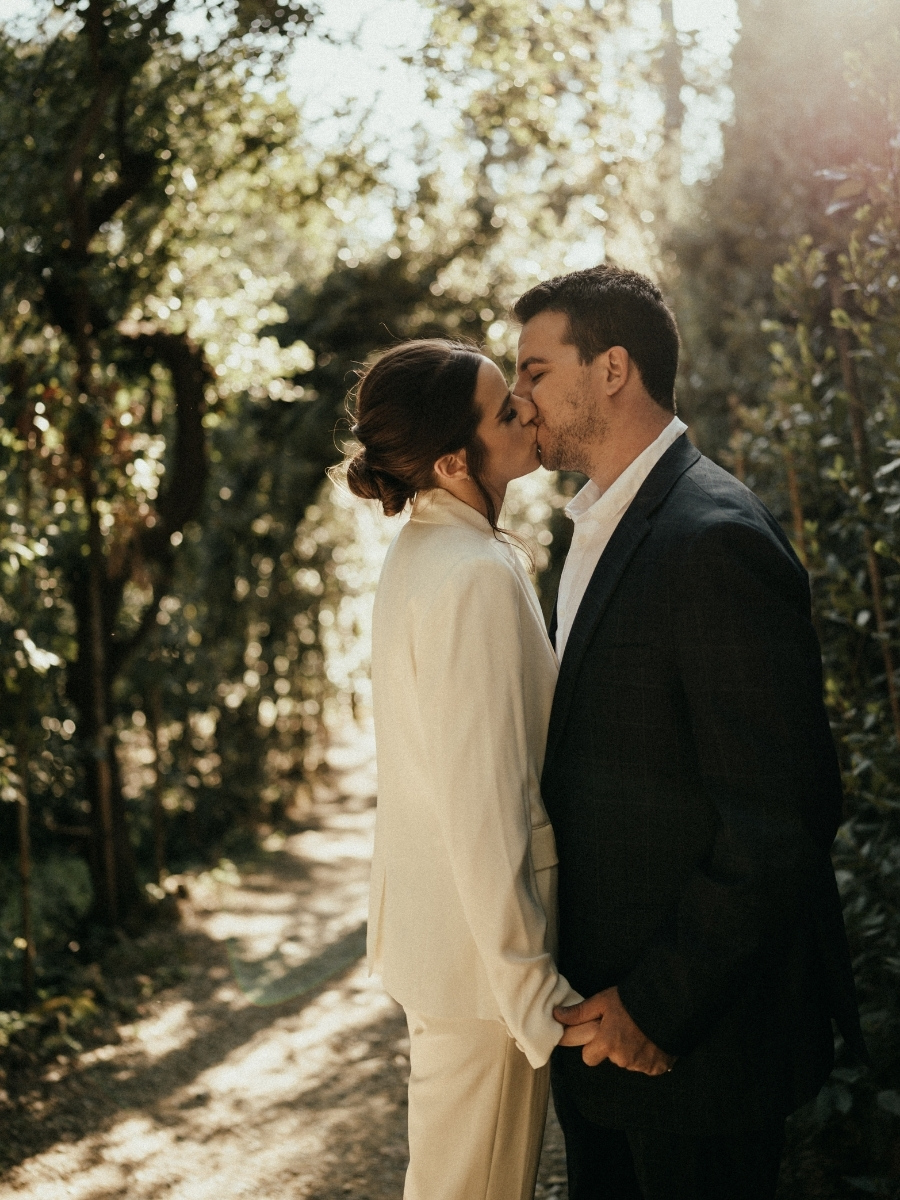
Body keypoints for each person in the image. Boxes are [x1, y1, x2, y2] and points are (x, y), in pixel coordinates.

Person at [511, 265, 865, 1200]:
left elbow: (780, 816)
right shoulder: (594, 530)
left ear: (613, 368)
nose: (518, 397)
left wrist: (656, 1008)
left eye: (536, 370)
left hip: (696, 1048)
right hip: (601, 1037)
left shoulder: (713, 538)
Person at [344, 338, 592, 1200]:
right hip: (485, 970)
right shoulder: (474, 574)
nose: (525, 408)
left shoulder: (424, 551)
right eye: (502, 409)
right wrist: (532, 989)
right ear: (454, 462)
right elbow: (482, 804)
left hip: (447, 948)